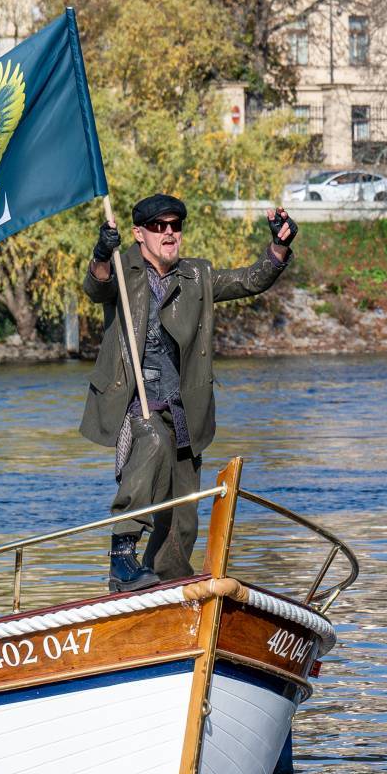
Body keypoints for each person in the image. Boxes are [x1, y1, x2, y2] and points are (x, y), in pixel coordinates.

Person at [81, 195, 296, 592]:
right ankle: (121, 557)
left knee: (182, 516)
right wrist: (100, 254)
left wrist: (278, 246)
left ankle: (167, 586)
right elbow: (97, 285)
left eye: (175, 226)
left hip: (184, 408)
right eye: (158, 226)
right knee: (153, 443)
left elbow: (250, 280)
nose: (169, 233)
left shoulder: (197, 275)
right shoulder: (122, 270)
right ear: (139, 234)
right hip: (136, 401)